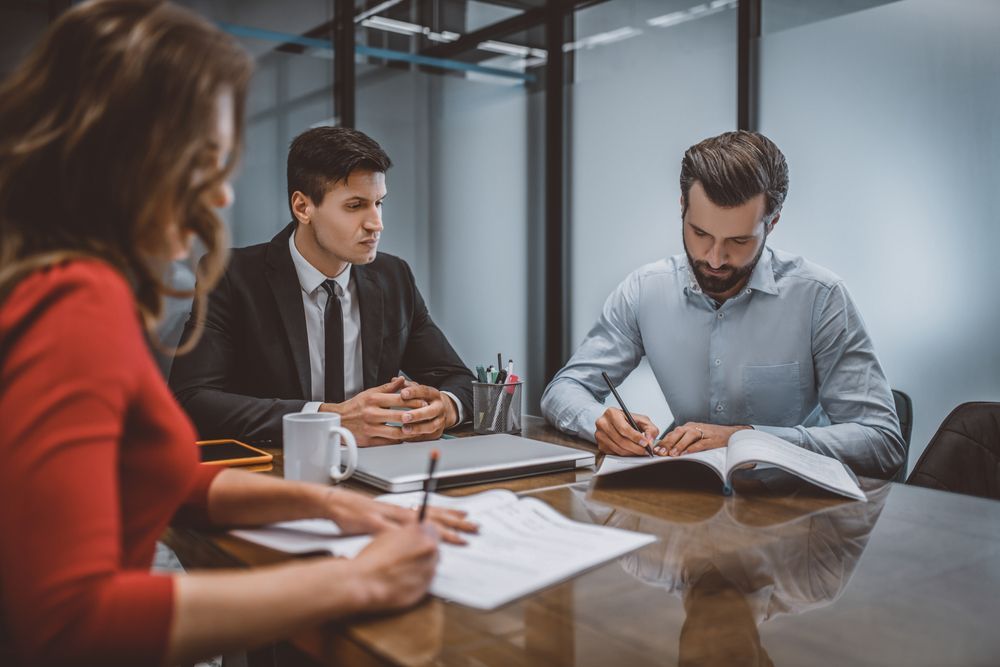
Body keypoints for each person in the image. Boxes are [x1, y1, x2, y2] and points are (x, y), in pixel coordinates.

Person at [0, 2, 473, 665]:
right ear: (123, 151)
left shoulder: (71, 284)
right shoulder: (73, 303)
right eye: (205, 159)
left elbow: (161, 479)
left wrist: (338, 508)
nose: (221, 197)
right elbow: (66, 620)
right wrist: (356, 577)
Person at [541, 131, 904, 478]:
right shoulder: (644, 290)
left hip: (795, 510)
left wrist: (749, 439)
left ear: (772, 222)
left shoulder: (820, 298)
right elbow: (565, 389)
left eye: (739, 240)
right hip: (685, 503)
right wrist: (599, 422)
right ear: (682, 207)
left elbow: (883, 442)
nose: (714, 259)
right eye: (700, 234)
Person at [169, 126, 475, 447]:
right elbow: (191, 400)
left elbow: (459, 379)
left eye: (379, 203)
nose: (376, 223)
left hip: (383, 467)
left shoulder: (393, 276)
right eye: (355, 205)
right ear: (303, 207)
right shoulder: (232, 276)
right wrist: (328, 419)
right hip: (281, 472)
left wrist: (447, 407)